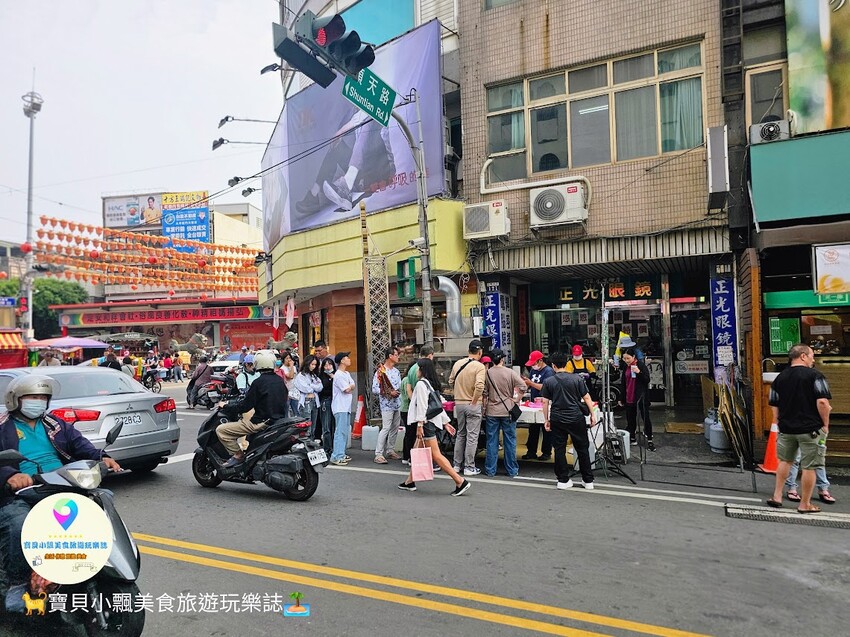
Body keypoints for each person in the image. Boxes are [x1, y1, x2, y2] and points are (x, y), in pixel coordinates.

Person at [0, 375, 122, 605]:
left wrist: (102, 458)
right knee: (19, 523)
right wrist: (10, 475)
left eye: (43, 397)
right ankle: (17, 585)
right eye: (33, 397)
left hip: (61, 482)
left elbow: (82, 447)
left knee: (103, 501)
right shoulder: (3, 427)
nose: (39, 401)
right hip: (21, 493)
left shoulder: (55, 425)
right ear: (15, 399)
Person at [768, 344, 832, 513]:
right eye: (811, 355)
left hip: (786, 429)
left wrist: (779, 424)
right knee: (809, 466)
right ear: (803, 356)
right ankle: (805, 504)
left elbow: (774, 405)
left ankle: (777, 496)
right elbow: (823, 402)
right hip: (810, 429)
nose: (813, 359)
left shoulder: (779, 378)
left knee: (785, 461)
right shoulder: (816, 376)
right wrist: (825, 424)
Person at [398, 358, 470, 497]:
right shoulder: (430, 384)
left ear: (423, 370)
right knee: (416, 451)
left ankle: (460, 481)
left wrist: (420, 424)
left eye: (419, 368)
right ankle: (409, 482)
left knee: (436, 455)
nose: (417, 371)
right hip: (429, 423)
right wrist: (445, 422)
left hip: (425, 424)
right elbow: (437, 405)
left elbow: (423, 406)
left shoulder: (420, 385)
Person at [216, 350, 288, 468]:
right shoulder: (279, 380)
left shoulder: (258, 382)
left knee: (221, 430)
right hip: (278, 420)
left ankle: (238, 455)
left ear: (257, 363)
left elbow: (245, 406)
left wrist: (226, 406)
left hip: (261, 422)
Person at [542, 351, 597, 489]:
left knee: (559, 448)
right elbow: (587, 398)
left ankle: (563, 480)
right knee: (582, 448)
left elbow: (545, 402)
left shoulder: (549, 381)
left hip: (557, 418)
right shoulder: (577, 379)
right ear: (566, 364)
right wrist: (593, 414)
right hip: (576, 417)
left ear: (553, 366)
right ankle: (588, 480)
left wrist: (546, 419)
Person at [483, 348, 526, 478]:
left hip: (492, 411)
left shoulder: (487, 373)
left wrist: (485, 408)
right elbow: (523, 386)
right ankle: (512, 470)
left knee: (491, 441)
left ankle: (490, 470)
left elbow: (484, 393)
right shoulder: (510, 372)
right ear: (502, 359)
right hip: (508, 410)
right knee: (510, 440)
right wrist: (517, 399)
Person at [449, 339, 486, 476]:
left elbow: (451, 380)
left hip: (459, 404)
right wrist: (475, 400)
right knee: (472, 436)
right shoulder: (479, 366)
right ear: (480, 352)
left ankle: (456, 465)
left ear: (468, 351)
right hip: (472, 404)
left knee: (460, 434)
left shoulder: (458, 363)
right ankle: (469, 466)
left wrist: (458, 393)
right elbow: (480, 386)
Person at [401, 345, 434, 466]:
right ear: (430, 355)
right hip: (421, 411)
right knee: (418, 436)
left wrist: (413, 402)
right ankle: (416, 460)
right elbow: (422, 399)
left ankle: (410, 459)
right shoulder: (423, 377)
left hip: (412, 407)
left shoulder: (411, 370)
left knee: (411, 434)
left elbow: (409, 390)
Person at [619, 348, 655, 451]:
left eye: (628, 358)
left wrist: (638, 372)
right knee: (630, 419)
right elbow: (623, 383)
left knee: (645, 418)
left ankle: (649, 439)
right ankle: (632, 437)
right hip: (629, 396)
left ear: (633, 357)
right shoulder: (626, 367)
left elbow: (647, 379)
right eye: (624, 358)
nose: (626, 360)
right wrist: (621, 398)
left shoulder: (641, 365)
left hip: (640, 397)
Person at [372, 346, 403, 464]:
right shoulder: (381, 371)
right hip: (386, 404)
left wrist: (397, 392)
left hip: (397, 403)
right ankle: (378, 453)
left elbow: (399, 386)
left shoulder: (396, 371)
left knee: (395, 427)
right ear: (390, 356)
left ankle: (390, 450)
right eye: (396, 355)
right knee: (386, 428)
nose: (398, 357)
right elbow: (375, 388)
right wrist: (389, 392)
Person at [523, 350, 555, 460]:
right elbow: (530, 385)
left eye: (534, 363)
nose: (533, 366)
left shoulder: (549, 371)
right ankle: (531, 451)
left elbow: (545, 387)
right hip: (534, 403)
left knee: (546, 429)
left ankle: (546, 452)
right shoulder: (533, 370)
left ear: (540, 361)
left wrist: (530, 383)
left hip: (545, 404)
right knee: (533, 429)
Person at [330, 352, 355, 466]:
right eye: (347, 358)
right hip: (340, 407)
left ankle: (341, 453)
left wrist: (350, 386)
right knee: (340, 431)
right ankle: (336, 456)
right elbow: (347, 389)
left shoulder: (346, 373)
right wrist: (350, 387)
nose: (349, 359)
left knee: (344, 431)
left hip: (346, 406)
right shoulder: (339, 375)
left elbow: (353, 385)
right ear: (341, 361)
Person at [314, 341, 337, 454]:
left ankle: (335, 447)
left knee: (334, 426)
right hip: (325, 401)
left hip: (336, 401)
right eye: (316, 351)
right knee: (326, 426)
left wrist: (333, 377)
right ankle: (327, 448)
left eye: (319, 350)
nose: (317, 353)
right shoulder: (321, 377)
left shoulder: (335, 374)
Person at [293, 355, 323, 434]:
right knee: (306, 426)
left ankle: (311, 442)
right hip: (306, 401)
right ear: (307, 363)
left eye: (315, 365)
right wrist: (313, 386)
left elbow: (320, 387)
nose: (313, 366)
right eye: (312, 364)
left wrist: (311, 385)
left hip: (315, 401)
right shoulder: (301, 376)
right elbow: (306, 388)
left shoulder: (314, 375)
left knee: (313, 426)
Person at [280, 352, 298, 417]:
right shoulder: (282, 369)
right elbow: (290, 376)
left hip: (294, 392)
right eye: (287, 358)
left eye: (290, 358)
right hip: (287, 393)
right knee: (286, 412)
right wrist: (291, 367)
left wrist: (292, 367)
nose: (289, 360)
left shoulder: (294, 368)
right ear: (283, 360)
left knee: (296, 412)